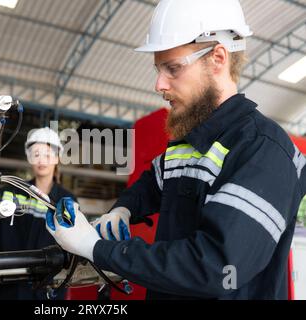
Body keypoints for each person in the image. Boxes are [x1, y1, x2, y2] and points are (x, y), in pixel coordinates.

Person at [46, 0, 306, 300]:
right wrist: (123, 209)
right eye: (158, 69)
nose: (159, 84)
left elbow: (214, 267)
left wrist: (96, 248)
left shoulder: (264, 151)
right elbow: (154, 182)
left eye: (173, 68)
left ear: (218, 58)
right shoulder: (190, 141)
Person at [0, 127, 76, 300]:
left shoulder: (66, 201)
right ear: (29, 157)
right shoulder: (9, 192)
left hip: (46, 287)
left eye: (47, 154)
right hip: (7, 285)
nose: (41, 160)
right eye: (36, 154)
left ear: (57, 158)